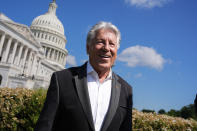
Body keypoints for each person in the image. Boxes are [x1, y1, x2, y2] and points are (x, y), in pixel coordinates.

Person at [35, 21, 133, 131]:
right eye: (100, 42)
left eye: (112, 44)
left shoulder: (126, 90)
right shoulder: (62, 80)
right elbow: (45, 126)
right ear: (88, 48)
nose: (106, 48)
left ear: (116, 50)